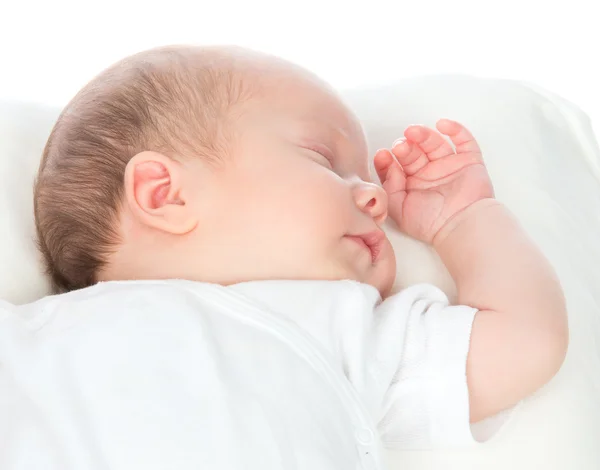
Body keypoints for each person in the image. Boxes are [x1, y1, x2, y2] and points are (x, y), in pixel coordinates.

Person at [0, 45, 568, 469]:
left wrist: (465, 221)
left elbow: (523, 343)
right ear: (166, 194)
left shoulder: (340, 328)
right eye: (325, 160)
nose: (376, 199)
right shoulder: (31, 333)